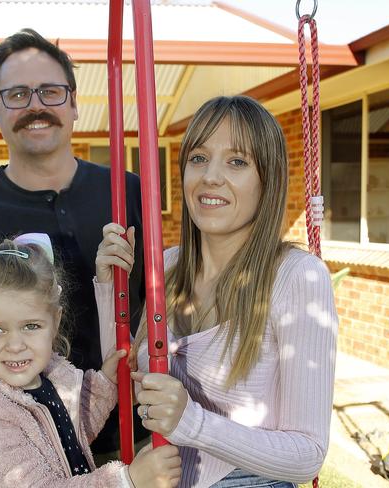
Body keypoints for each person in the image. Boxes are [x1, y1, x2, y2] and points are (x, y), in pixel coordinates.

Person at [95, 95, 338, 487]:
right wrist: (110, 286)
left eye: (237, 162)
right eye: (198, 158)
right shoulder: (169, 265)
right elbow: (127, 377)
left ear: (267, 179)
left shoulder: (298, 277)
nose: (210, 176)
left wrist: (192, 423)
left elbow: (307, 455)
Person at [0, 27, 146, 457]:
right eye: (17, 95)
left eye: (50, 92)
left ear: (73, 103)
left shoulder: (130, 193)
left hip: (141, 429)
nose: (35, 106)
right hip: (34, 448)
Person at [0, 231, 181, 487]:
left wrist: (105, 384)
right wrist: (127, 480)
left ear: (55, 321)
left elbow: (71, 432)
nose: (15, 345)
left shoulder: (50, 376)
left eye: (31, 326)